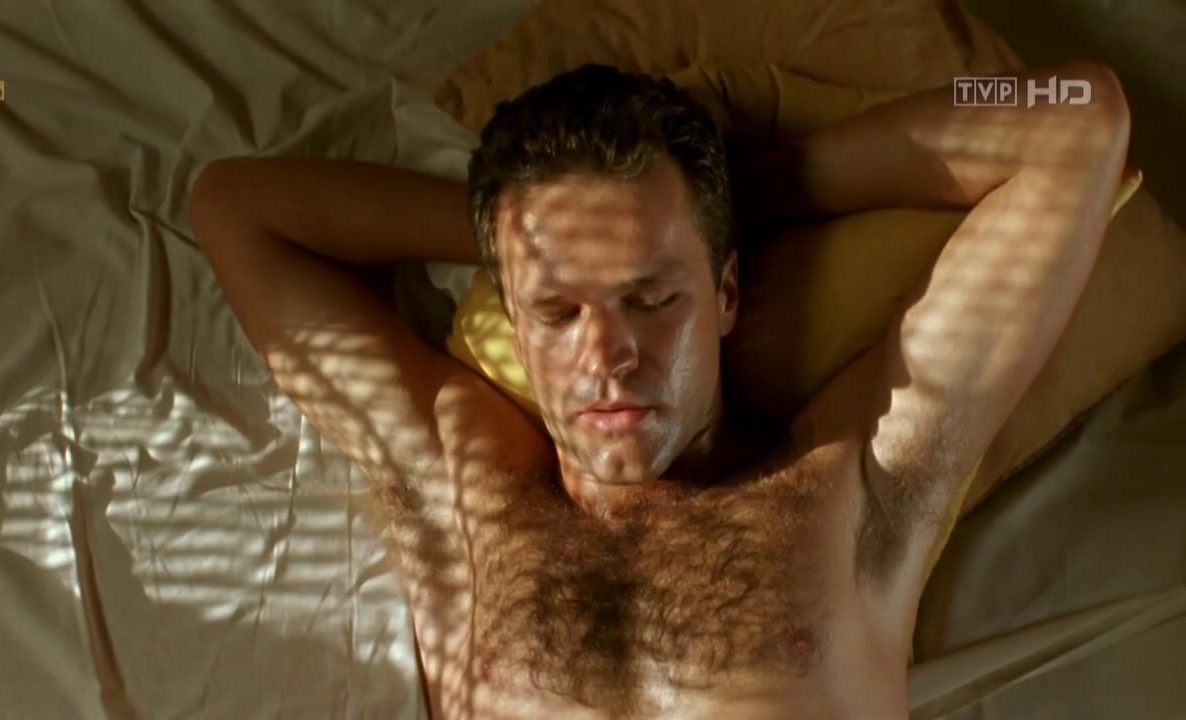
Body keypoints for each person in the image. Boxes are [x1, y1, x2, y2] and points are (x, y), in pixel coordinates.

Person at [189, 60, 1130, 719]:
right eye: (557, 311)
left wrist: (760, 194)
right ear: (513, 314)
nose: (609, 356)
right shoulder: (465, 487)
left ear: (726, 292)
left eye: (651, 298)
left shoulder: (853, 478)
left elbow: (1075, 109)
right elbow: (232, 207)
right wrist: (516, 244)